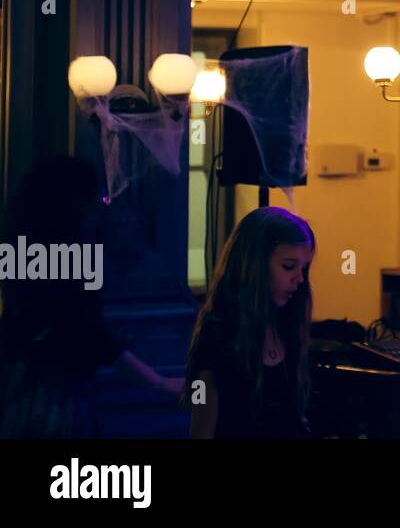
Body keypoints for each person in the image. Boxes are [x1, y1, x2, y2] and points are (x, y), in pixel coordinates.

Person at [0, 156, 182, 438]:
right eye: (96, 199)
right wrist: (162, 382)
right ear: (73, 208)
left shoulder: (23, 257)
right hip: (53, 407)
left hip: (24, 399)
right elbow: (89, 335)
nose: (99, 209)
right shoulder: (70, 266)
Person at [185, 205, 315, 438]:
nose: (300, 278)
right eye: (289, 266)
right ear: (254, 265)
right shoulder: (217, 337)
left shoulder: (287, 327)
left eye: (304, 268)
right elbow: (200, 432)